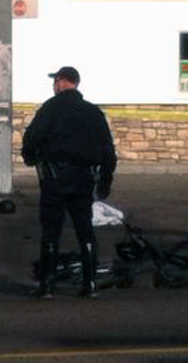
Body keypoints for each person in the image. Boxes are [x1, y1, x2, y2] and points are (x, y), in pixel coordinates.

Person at [22, 66, 117, 300]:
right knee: (85, 230)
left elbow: (32, 138)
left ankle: (47, 286)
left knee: (51, 231)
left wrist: (29, 156)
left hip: (55, 178)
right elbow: (108, 150)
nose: (54, 85)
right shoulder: (93, 112)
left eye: (56, 81)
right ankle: (91, 284)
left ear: (62, 82)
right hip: (83, 178)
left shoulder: (50, 108)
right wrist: (105, 180)